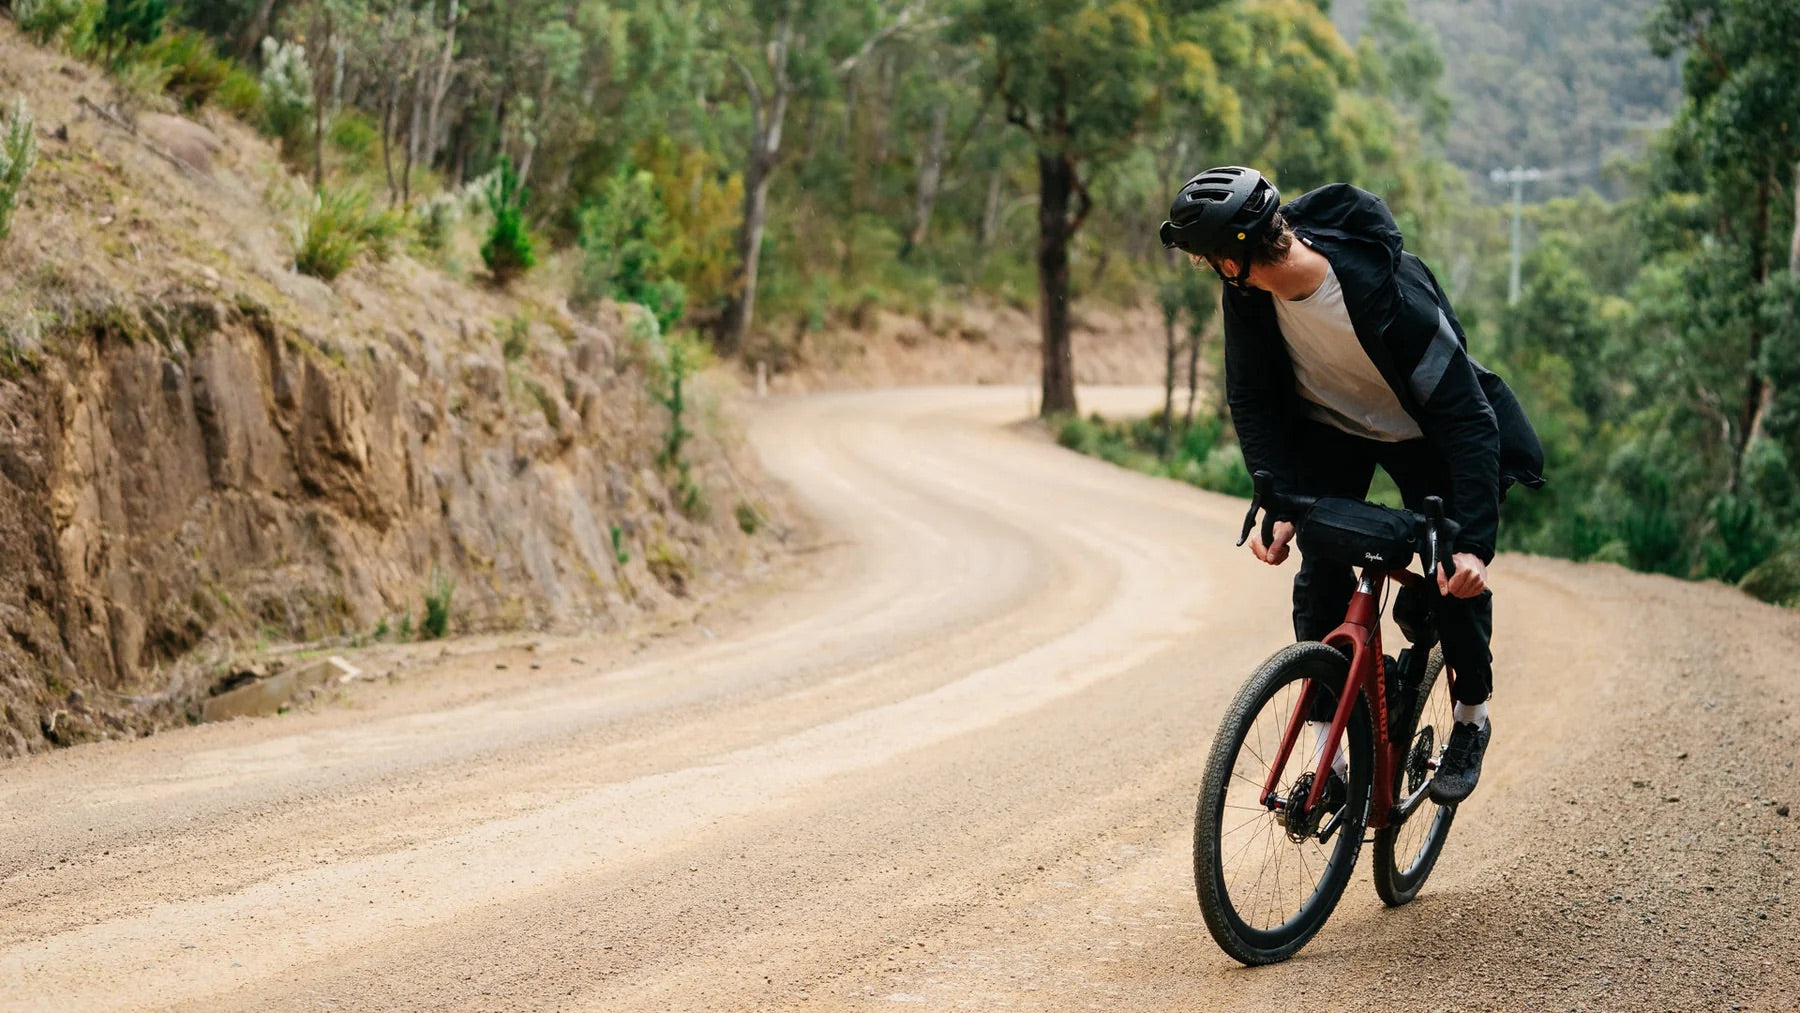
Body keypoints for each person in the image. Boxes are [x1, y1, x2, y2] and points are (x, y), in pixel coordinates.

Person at [1159, 166, 1544, 805]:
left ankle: (1471, 719)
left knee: (1448, 572)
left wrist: (1475, 544)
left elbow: (1469, 417)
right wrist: (1278, 498)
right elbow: (1251, 397)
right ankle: (1328, 761)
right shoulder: (1249, 297)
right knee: (1321, 578)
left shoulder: (1382, 295)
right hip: (1336, 429)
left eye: (1208, 261)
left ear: (1232, 260)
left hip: (1423, 431)